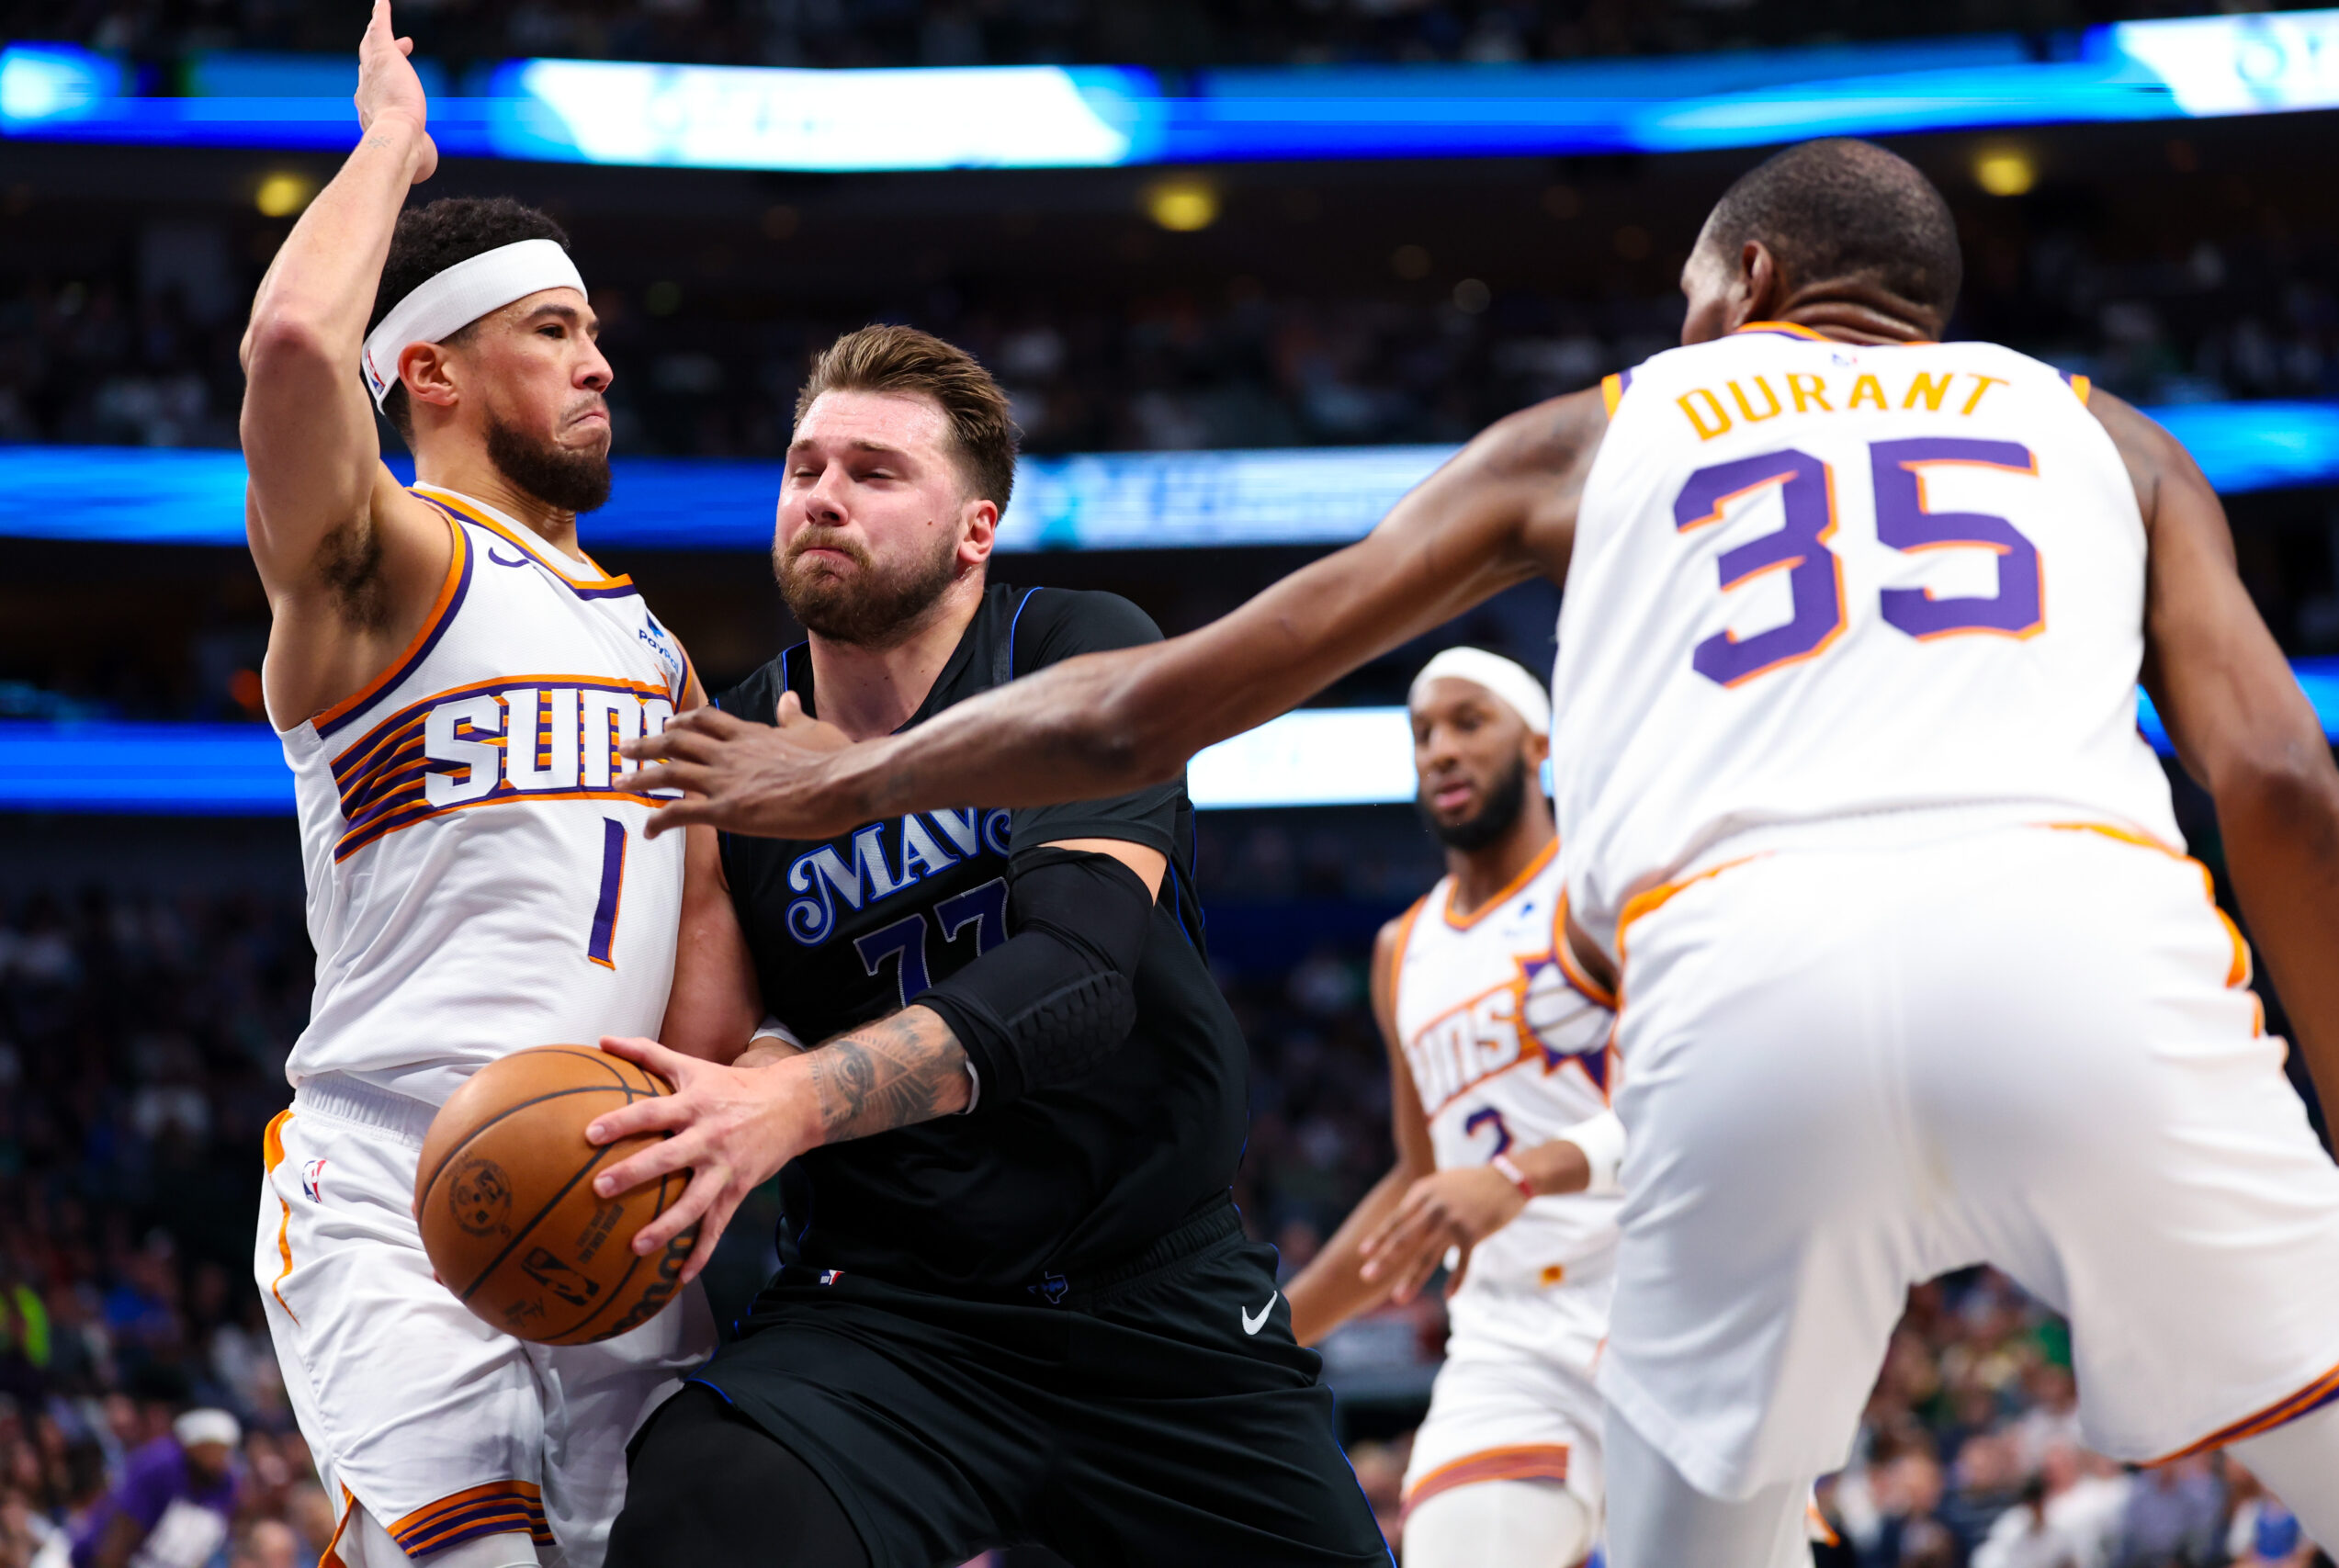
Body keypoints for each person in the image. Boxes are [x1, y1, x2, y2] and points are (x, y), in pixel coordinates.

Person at [617, 138, 2339, 1568]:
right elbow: (2280, 781)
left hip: (1746, 993)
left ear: (1740, 293)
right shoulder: (2110, 434)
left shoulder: (1608, 430)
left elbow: (1137, 715)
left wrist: (849, 785)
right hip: (2091, 946)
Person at [580, 323, 1392, 1568]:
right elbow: (732, 1036)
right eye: (805, 467)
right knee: (704, 1495)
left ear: (976, 530)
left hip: (1156, 1300)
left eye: (875, 470)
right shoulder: (723, 741)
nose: (824, 496)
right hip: (896, 1314)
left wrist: (794, 1095)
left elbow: (1077, 976)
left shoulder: (1073, 648)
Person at [238, 6, 715, 1563]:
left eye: (593, 330)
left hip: (615, 1193)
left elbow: (710, 924)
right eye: (556, 330)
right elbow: (299, 346)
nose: (601, 360)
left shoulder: (657, 647)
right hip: (394, 1166)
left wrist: (712, 1117)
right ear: (431, 368)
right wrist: (393, 150)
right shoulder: (389, 571)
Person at [1285, 648, 1622, 1568]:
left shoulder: (1599, 889)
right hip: (1508, 1344)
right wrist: (1273, 1339)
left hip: (1664, 1303)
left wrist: (1517, 1177)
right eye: (1422, 732)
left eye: (1469, 723)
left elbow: (1706, 1099)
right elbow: (1423, 1181)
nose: (1439, 750)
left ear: (1537, 743)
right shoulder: (1405, 947)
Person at [69, 1410, 239, 1568]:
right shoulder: (160, 1468)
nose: (223, 1458)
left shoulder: (223, 1484)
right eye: (219, 1449)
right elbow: (118, 1539)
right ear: (196, 1445)